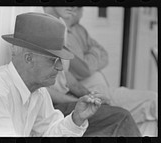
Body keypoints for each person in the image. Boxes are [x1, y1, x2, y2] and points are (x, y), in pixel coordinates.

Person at [0, 12, 106, 137]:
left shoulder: (38, 92)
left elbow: (49, 131)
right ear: (28, 58)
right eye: (53, 60)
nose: (60, 67)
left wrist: (76, 119)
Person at [52, 7, 157, 136]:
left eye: (80, 6)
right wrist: (79, 100)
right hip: (62, 100)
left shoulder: (78, 29)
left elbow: (103, 55)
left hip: (79, 91)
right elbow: (84, 69)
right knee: (123, 115)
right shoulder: (46, 28)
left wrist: (89, 95)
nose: (76, 9)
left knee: (152, 108)